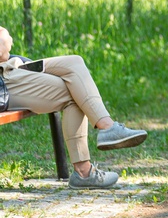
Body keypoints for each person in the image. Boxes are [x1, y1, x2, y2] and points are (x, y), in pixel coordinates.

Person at [0, 26, 148, 189]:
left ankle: (107, 130)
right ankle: (87, 168)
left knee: (75, 62)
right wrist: (4, 39)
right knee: (74, 91)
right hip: (5, 81)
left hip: (14, 66)